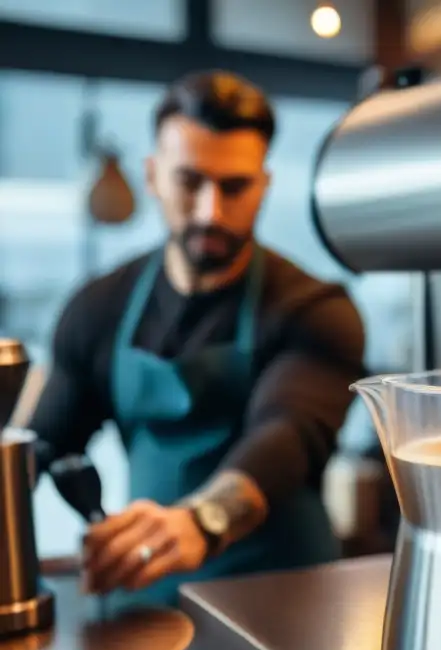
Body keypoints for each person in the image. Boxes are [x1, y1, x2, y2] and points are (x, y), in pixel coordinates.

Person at [28, 70, 365, 606]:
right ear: (153, 176)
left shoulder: (314, 309)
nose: (212, 211)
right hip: (144, 598)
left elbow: (287, 434)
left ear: (264, 185)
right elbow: (43, 445)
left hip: (284, 607)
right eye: (189, 181)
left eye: (235, 187)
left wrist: (200, 520)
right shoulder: (98, 308)